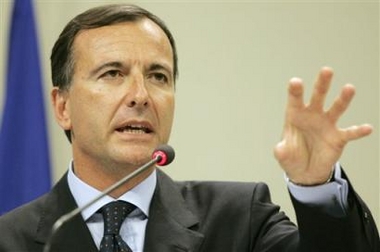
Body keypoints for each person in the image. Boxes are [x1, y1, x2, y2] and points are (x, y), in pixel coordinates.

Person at [0, 3, 378, 252]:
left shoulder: (240, 220)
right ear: (62, 106)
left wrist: (317, 186)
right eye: (112, 73)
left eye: (158, 76)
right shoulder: (10, 238)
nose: (140, 95)